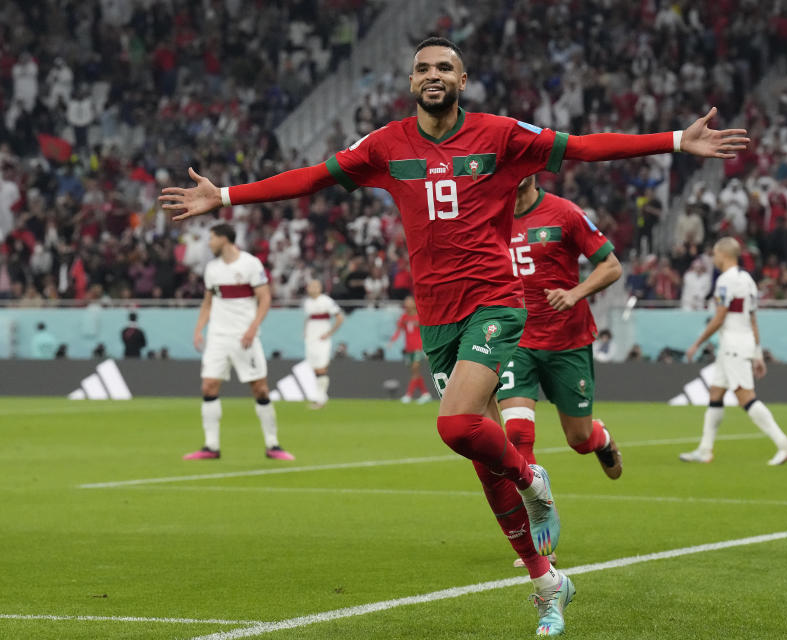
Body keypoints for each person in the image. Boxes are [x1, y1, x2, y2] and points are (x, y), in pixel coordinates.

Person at [159, 37, 748, 635]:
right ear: (411, 81)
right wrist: (226, 196)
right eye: (422, 68)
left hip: (495, 302)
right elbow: (311, 178)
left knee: (455, 424)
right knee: (478, 458)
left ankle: (531, 477)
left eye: (444, 67)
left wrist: (676, 140)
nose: (432, 75)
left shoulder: (501, 136)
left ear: (462, 79)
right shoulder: (386, 146)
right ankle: (546, 581)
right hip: (436, 317)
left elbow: (587, 147)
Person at [498, 177, 625, 534]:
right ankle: (539, 521)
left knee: (578, 439)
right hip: (515, 340)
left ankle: (599, 437)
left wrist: (575, 293)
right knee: (518, 436)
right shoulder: (492, 214)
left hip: (567, 340)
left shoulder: (565, 214)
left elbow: (611, 266)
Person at [681, 238, 787, 466]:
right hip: (739, 343)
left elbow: (720, 316)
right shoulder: (748, 280)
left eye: (715, 254)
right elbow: (752, 319)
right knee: (715, 393)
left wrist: (697, 343)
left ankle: (785, 445)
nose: (714, 259)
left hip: (733, 344)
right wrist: (758, 353)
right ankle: (705, 450)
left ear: (723, 255)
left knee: (745, 397)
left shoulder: (725, 280)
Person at [183, 223, 294, 461]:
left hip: (244, 336)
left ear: (225, 239)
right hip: (218, 337)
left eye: (212, 238)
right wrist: (198, 329)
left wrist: (253, 329)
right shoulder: (212, 269)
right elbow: (208, 302)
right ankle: (211, 447)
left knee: (260, 388)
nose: (209, 243)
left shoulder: (250, 264)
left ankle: (273, 445)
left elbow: (264, 299)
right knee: (208, 386)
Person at [303, 279, 344, 409]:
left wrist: (329, 333)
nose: (313, 288)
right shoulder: (307, 302)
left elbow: (339, 318)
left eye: (316, 286)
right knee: (315, 368)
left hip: (322, 339)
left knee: (321, 368)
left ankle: (320, 400)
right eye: (311, 286)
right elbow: (308, 318)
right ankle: (322, 398)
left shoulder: (326, 301)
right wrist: (305, 331)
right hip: (311, 339)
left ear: (320, 288)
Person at [390, 295, 430, 404]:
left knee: (415, 370)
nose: (406, 304)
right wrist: (392, 341)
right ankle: (425, 393)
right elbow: (398, 330)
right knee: (415, 372)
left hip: (418, 348)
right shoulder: (404, 317)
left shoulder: (420, 317)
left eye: (409, 301)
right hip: (409, 349)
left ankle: (409, 395)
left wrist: (427, 349)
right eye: (405, 302)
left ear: (414, 303)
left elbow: (426, 333)